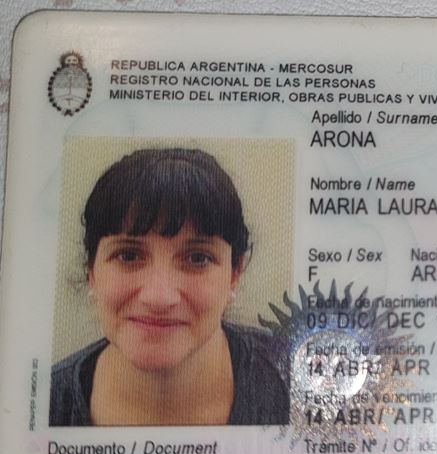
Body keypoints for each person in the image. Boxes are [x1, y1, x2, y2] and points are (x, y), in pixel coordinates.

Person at [49, 148, 290, 426]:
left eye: (197, 258)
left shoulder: (298, 379)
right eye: (129, 256)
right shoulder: (43, 405)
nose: (159, 298)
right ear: (91, 272)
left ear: (234, 275)